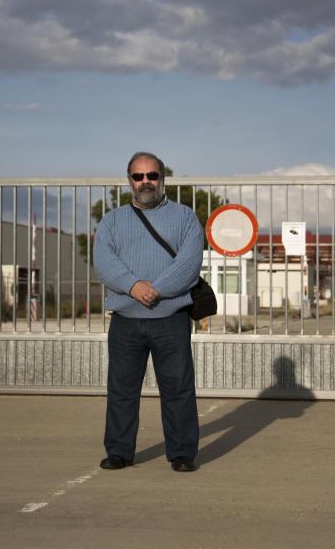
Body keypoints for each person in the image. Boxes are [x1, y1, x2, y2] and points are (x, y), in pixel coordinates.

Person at [93, 151, 204, 472]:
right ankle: (119, 452)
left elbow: (189, 262)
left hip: (171, 319)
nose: (145, 182)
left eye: (152, 175)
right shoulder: (112, 221)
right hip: (126, 320)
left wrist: (156, 289)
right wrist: (133, 286)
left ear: (162, 178)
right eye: (138, 176)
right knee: (121, 390)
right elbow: (104, 261)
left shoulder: (185, 218)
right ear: (129, 180)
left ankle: (182, 454)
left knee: (178, 390)